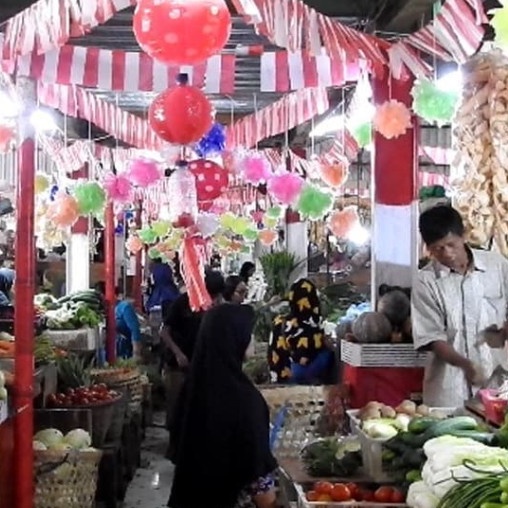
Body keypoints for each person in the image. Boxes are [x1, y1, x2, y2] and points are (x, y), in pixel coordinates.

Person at [168, 303, 278, 508]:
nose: (251, 339)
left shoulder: (191, 389)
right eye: (248, 333)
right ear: (234, 337)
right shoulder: (245, 400)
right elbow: (258, 477)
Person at [412, 205, 508, 407]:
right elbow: (432, 337)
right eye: (438, 248)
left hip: (499, 384)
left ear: (463, 236)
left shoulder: (498, 266)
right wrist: (466, 365)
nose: (447, 253)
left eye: (451, 244)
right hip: (449, 390)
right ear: (428, 249)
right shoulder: (426, 282)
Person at [161, 271, 225, 434]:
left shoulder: (215, 305)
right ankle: (173, 443)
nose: (211, 298)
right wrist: (178, 353)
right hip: (177, 365)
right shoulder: (182, 303)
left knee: (197, 408)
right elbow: (164, 332)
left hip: (200, 365)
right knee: (176, 406)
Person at [267, 278, 333, 384]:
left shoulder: (279, 321)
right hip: (295, 374)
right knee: (327, 354)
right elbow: (304, 359)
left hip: (278, 377)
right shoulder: (308, 324)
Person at [95, 282, 142, 361]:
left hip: (125, 352)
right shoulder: (100, 310)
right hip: (105, 354)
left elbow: (135, 330)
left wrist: (136, 353)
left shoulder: (124, 307)